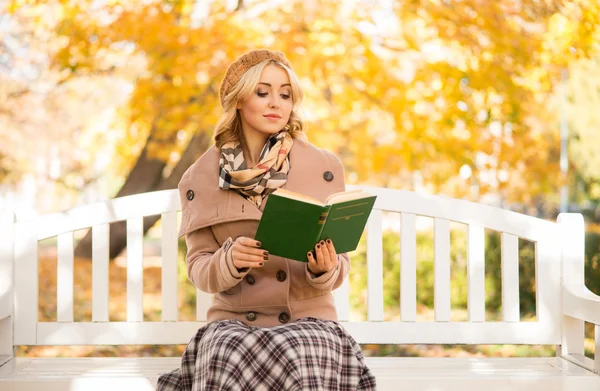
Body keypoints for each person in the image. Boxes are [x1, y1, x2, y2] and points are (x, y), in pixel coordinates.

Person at [157, 49, 376, 390]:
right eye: (263, 92)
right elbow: (199, 266)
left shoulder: (322, 166)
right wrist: (227, 262)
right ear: (239, 100)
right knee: (224, 352)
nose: (276, 103)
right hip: (235, 321)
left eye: (285, 94)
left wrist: (325, 269)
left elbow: (340, 264)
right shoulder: (200, 175)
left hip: (308, 318)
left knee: (301, 350)